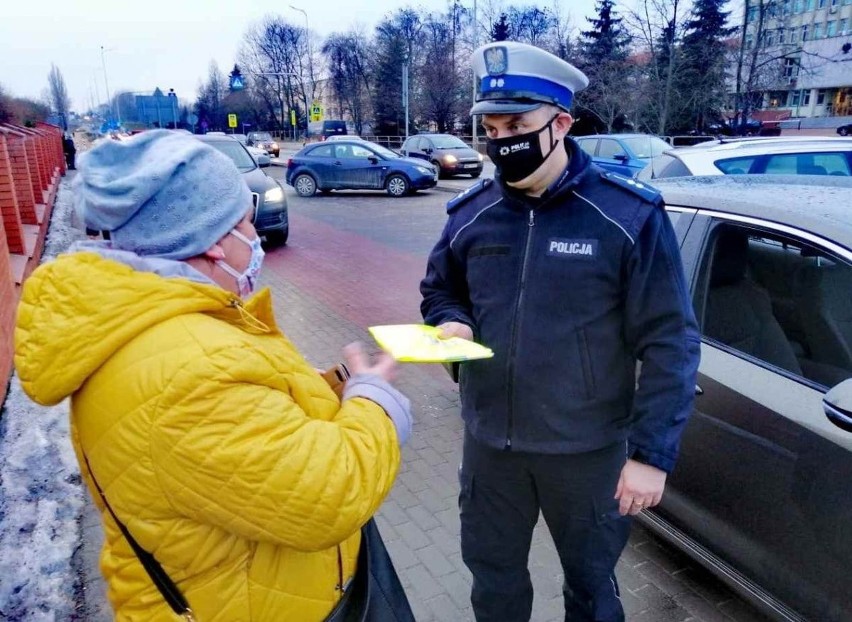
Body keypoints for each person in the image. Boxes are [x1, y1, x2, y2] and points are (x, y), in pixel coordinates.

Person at [15, 130, 413, 621]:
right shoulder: (186, 372)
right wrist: (376, 405)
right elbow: (325, 495)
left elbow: (246, 428)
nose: (255, 236)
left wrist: (334, 386)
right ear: (217, 243)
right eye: (246, 222)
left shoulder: (160, 324)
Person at [420, 41, 701, 622]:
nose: (502, 141)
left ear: (561, 123)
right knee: (493, 583)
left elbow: (671, 340)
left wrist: (651, 456)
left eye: (518, 124)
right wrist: (450, 320)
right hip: (490, 446)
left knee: (592, 589)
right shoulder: (469, 215)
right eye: (492, 127)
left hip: (588, 453)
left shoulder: (626, 218)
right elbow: (439, 289)